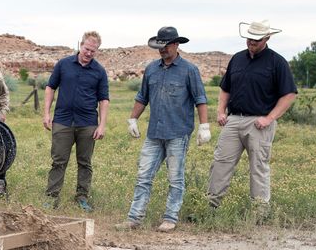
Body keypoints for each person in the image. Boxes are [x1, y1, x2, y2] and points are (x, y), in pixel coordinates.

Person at [116, 27, 210, 232]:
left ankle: (170, 217)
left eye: (166, 45)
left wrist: (204, 126)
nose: (162, 50)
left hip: (178, 132)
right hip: (154, 133)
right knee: (143, 176)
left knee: (175, 178)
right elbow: (142, 97)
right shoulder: (151, 69)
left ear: (176, 45)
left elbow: (200, 100)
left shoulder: (189, 70)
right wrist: (132, 118)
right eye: (160, 46)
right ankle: (134, 218)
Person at [206, 20, 297, 211]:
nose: (251, 42)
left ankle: (260, 212)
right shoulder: (237, 59)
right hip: (233, 120)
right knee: (220, 163)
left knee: (259, 168)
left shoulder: (277, 62)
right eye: (249, 38)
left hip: (259, 123)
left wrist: (270, 118)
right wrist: (221, 111)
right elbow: (225, 88)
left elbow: (289, 94)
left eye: (256, 39)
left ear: (267, 38)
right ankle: (210, 207)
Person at [42, 31, 109, 212]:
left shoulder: (99, 71)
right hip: (63, 121)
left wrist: (102, 125)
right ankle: (51, 197)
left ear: (97, 51)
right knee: (58, 161)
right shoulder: (63, 65)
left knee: (85, 162)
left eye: (93, 51)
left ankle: (82, 198)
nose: (88, 53)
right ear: (81, 45)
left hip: (87, 123)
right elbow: (50, 88)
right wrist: (46, 113)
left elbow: (104, 100)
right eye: (87, 49)